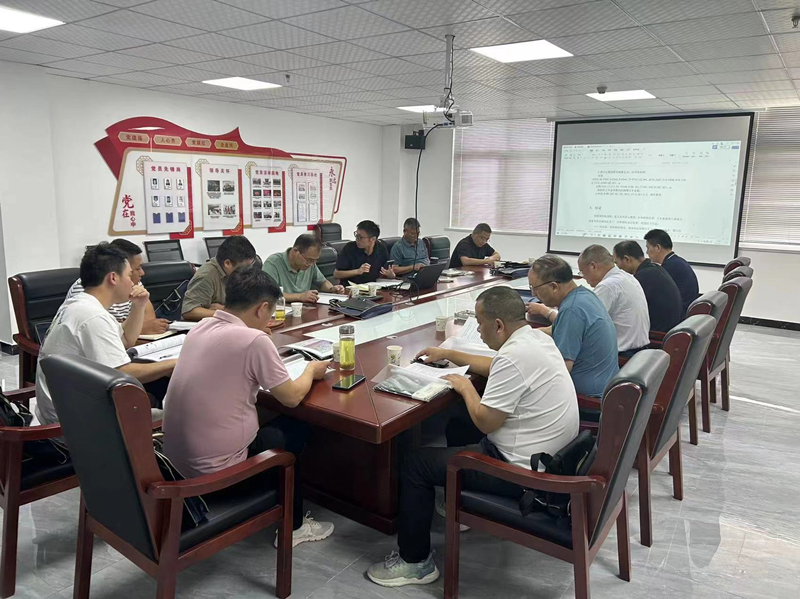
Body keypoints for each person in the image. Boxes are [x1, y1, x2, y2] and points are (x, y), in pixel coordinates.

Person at [366, 286, 578, 587]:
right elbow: (495, 365)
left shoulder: (514, 357)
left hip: (522, 474)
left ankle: (415, 563)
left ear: (498, 325)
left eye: (480, 323)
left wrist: (466, 387)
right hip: (550, 457)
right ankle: (454, 499)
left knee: (415, 464)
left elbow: (486, 422)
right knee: (457, 422)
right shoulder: (535, 339)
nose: (478, 330)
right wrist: (448, 354)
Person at [163, 267, 334, 547]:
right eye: (270, 313)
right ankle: (295, 527)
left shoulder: (201, 327)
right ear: (262, 308)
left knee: (267, 415)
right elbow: (291, 397)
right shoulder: (253, 340)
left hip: (177, 468)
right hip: (218, 479)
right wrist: (311, 370)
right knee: (296, 425)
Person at [35, 243, 177, 430]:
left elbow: (126, 339)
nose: (134, 282)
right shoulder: (93, 316)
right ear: (113, 278)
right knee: (180, 416)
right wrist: (173, 363)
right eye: (129, 275)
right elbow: (123, 373)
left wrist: (139, 305)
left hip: (68, 409)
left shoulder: (81, 304)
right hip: (77, 425)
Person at [526, 255, 618, 397]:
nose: (533, 294)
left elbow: (561, 370)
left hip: (588, 398)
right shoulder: (584, 295)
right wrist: (527, 334)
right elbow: (560, 329)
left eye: (535, 288)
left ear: (554, 286)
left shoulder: (572, 309)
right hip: (605, 383)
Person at [65, 239, 170, 342]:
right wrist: (139, 328)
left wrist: (139, 306)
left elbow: (127, 339)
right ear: (114, 276)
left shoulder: (130, 284)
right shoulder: (92, 313)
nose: (142, 273)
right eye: (130, 273)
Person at [577, 244, 650, 354]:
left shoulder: (607, 286)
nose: (583, 276)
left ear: (593, 266)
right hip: (639, 352)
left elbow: (581, 325)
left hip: (622, 355)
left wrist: (550, 314)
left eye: (582, 271)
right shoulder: (627, 277)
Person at [613, 240, 683, 334]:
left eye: (617, 263)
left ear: (627, 259)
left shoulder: (642, 277)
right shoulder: (654, 269)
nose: (618, 267)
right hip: (671, 327)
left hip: (658, 333)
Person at [182, 235, 256, 321]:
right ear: (227, 263)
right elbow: (189, 311)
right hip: (210, 325)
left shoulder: (235, 273)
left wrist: (227, 309)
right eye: (245, 267)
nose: (248, 271)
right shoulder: (206, 276)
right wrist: (228, 312)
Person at [262, 234, 345, 303]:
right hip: (281, 311)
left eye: (315, 260)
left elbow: (322, 282)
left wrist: (332, 289)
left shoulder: (310, 264)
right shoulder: (273, 263)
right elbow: (269, 294)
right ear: (295, 251)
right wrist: (300, 296)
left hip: (304, 309)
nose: (311, 264)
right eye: (309, 260)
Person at [644, 229, 700, 316]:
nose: (647, 252)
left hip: (680, 316)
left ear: (658, 247)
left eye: (648, 248)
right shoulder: (677, 261)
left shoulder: (669, 267)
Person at [333, 220, 396, 285]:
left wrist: (391, 275)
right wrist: (357, 271)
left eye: (360, 237)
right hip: (351, 287)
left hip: (373, 286)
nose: (357, 239)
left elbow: (385, 271)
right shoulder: (349, 248)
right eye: (356, 235)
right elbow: (336, 274)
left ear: (373, 239)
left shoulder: (381, 249)